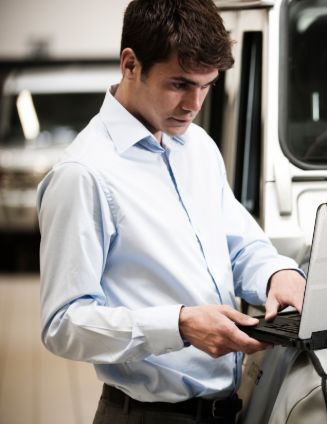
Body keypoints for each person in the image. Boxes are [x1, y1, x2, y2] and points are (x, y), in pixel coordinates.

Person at [36, 1, 306, 422]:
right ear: (130, 64)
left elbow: (239, 245)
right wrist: (179, 326)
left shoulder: (196, 146)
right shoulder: (83, 175)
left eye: (207, 86)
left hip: (226, 409)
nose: (193, 104)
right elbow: (64, 325)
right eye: (179, 84)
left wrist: (278, 273)